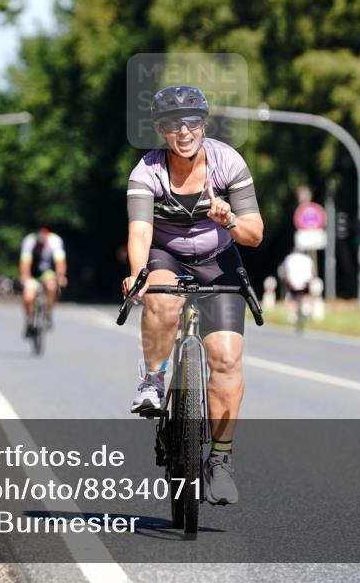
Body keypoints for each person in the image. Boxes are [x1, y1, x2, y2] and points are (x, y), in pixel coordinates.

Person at [122, 85, 264, 505]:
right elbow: (140, 231)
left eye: (192, 122)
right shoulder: (146, 172)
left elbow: (255, 235)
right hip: (166, 255)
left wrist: (230, 219)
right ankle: (153, 378)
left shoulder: (228, 163)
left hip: (218, 258)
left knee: (225, 357)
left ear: (204, 124)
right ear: (160, 130)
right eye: (171, 124)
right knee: (161, 298)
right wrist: (137, 274)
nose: (183, 131)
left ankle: (220, 461)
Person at [19, 227, 67, 336]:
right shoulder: (29, 241)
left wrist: (61, 277)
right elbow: (25, 263)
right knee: (28, 297)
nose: (40, 247)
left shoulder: (55, 241)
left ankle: (48, 312)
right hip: (33, 272)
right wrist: (25, 277)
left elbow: (60, 263)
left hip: (48, 271)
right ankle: (29, 321)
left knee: (51, 286)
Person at [282, 247, 315, 323]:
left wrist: (285, 280)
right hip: (305, 283)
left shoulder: (288, 258)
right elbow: (312, 271)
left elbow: (285, 271)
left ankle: (292, 314)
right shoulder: (307, 258)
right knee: (308, 294)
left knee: (291, 297)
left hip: (292, 283)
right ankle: (307, 308)